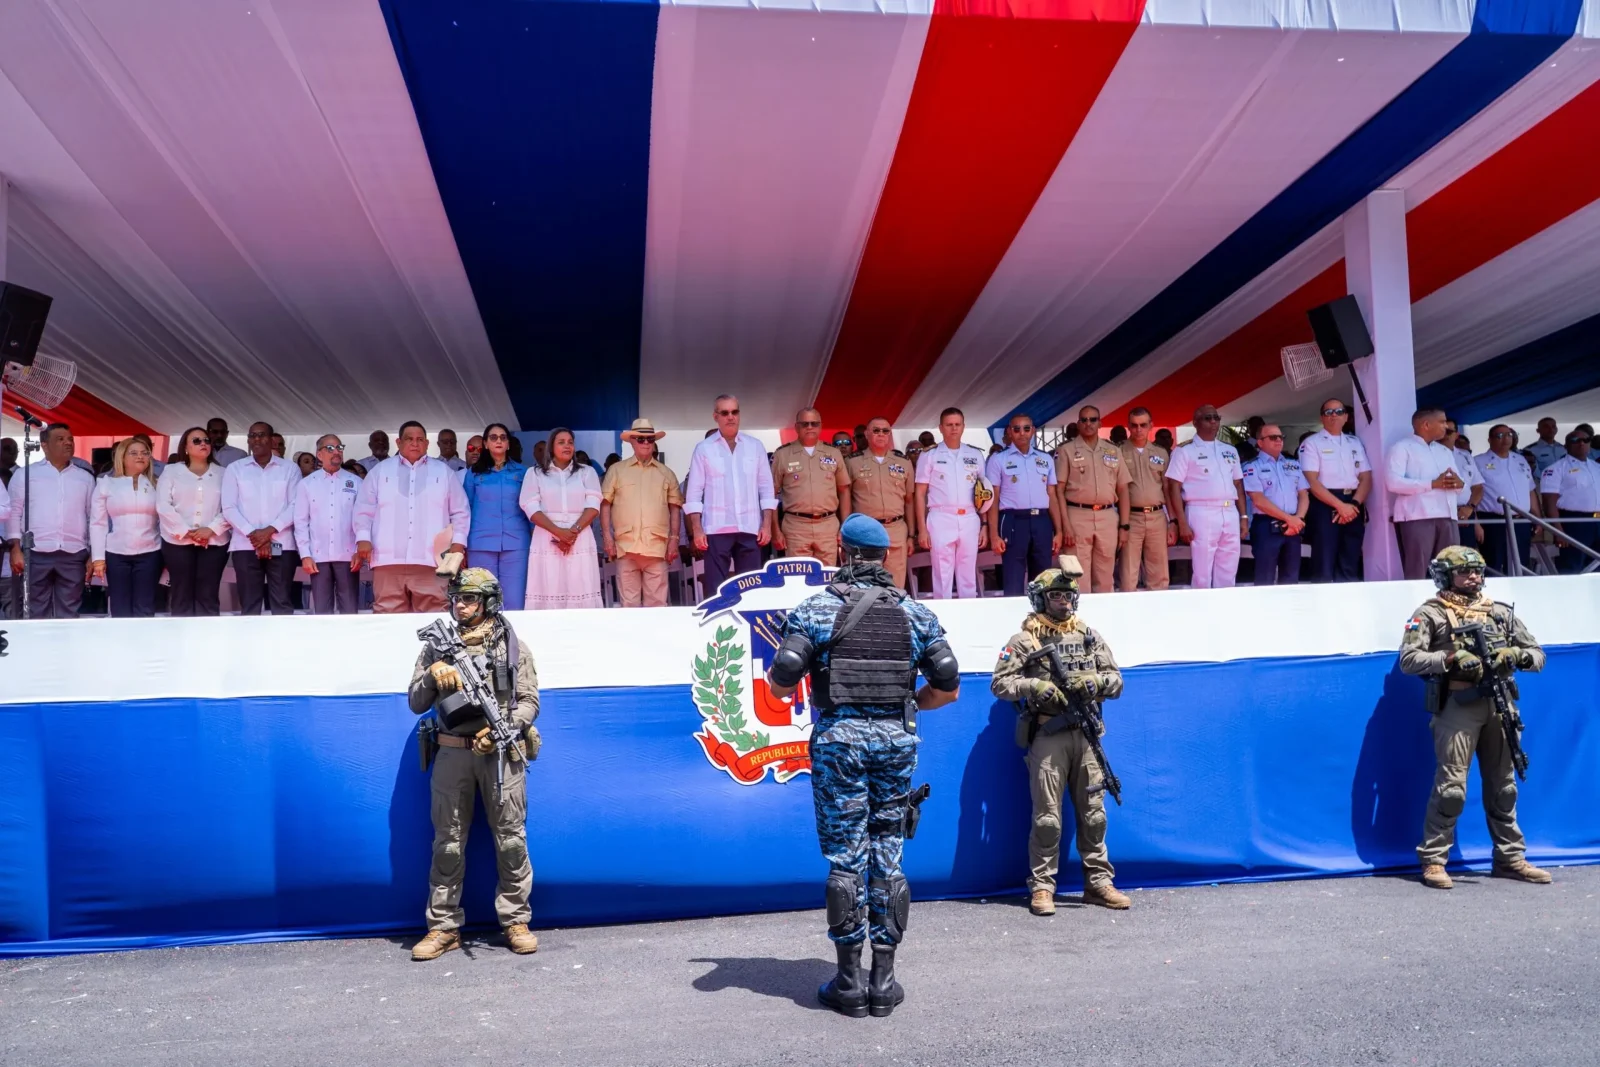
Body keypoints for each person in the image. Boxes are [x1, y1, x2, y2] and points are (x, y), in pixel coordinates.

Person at [766, 515, 960, 1017]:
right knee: (888, 854)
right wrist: (906, 706)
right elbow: (949, 686)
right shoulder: (915, 614)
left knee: (846, 858)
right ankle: (884, 982)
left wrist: (798, 689)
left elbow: (783, 677)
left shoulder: (816, 609)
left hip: (840, 745)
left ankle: (849, 984)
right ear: (883, 558)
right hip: (897, 745)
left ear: (844, 552)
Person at [407, 568, 542, 960]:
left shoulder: (512, 647)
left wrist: (505, 730)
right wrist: (434, 673)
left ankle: (516, 920)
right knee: (447, 844)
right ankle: (443, 927)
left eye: (469, 599)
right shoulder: (437, 646)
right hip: (452, 754)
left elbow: (529, 701)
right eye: (456, 599)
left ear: (488, 603)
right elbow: (416, 702)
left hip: (500, 753)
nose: (460, 606)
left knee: (512, 840)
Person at [1399, 546, 1551, 889]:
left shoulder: (1500, 612)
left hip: (1500, 705)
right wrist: (1450, 659)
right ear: (1445, 575)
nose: (1474, 577)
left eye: (1478, 570)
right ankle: (1434, 860)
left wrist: (1516, 655)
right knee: (1451, 788)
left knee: (1504, 786)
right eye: (1465, 571)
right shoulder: (1429, 614)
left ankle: (1510, 857)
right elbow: (1408, 659)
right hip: (1458, 705)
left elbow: (1538, 655)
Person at [989, 561, 1130, 915]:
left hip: (1086, 735)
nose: (1063, 602)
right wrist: (1034, 686)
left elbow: (1116, 679)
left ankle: (1098, 883)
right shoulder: (1025, 640)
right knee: (1047, 819)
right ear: (1040, 598)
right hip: (1049, 735)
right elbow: (1000, 684)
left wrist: (1096, 683)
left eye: (1068, 595)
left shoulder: (1088, 636)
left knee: (1094, 814)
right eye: (1055, 595)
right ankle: (1042, 887)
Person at [354, 422, 470, 613]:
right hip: (388, 558)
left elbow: (460, 511)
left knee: (433, 617)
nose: (415, 444)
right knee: (387, 615)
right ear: (399, 442)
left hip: (431, 560)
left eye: (419, 439)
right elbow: (364, 509)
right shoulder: (380, 471)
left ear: (426, 443)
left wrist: (458, 544)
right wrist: (363, 538)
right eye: (409, 439)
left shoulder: (443, 472)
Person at [684, 395, 776, 592]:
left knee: (751, 590)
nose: (730, 417)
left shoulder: (755, 446)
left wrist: (767, 525)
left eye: (734, 412)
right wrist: (697, 529)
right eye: (724, 413)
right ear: (715, 416)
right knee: (716, 591)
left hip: (750, 528)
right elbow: (693, 493)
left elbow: (767, 490)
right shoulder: (704, 449)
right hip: (716, 529)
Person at [6, 422, 95, 618]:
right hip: (36, 553)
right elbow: (14, 513)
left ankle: (67, 648)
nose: (68, 443)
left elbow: (92, 517)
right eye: (60, 439)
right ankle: (40, 648)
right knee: (37, 611)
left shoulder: (85, 478)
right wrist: (15, 549)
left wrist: (93, 554)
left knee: (70, 611)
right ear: (44, 445)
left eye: (70, 439)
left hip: (74, 553)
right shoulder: (26, 474)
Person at [222, 422, 302, 616]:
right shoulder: (235, 469)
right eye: (252, 436)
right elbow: (229, 507)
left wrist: (268, 532)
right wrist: (254, 534)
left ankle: (282, 645)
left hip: (281, 545)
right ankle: (251, 645)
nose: (257, 439)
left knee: (281, 602)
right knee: (249, 604)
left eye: (262, 435)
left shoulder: (289, 468)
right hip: (245, 544)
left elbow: (295, 506)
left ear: (272, 438)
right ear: (248, 440)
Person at [601, 419, 681, 608]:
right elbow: (605, 506)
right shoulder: (616, 471)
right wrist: (607, 538)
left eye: (649, 439)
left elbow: (675, 509)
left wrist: (674, 540)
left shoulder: (666, 473)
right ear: (632, 441)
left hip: (656, 548)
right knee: (629, 605)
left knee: (657, 606)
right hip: (626, 547)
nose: (645, 443)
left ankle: (656, 639)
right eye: (640, 439)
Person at [1164, 405, 1247, 589]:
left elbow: (1238, 485)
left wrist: (1243, 516)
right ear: (1195, 422)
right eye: (1207, 418)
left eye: (1216, 418)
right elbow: (1173, 487)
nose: (1213, 422)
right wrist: (1181, 522)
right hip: (1202, 511)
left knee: (1229, 566)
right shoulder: (1184, 450)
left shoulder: (1229, 450)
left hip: (1229, 510)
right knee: (1202, 570)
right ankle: (1202, 611)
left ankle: (1224, 609)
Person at [520, 427, 602, 610]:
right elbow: (530, 507)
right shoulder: (535, 473)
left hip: (579, 538)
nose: (567, 446)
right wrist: (559, 533)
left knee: (579, 585)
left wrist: (572, 533)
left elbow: (593, 504)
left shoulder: (587, 472)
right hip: (547, 538)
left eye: (570, 442)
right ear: (551, 447)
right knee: (549, 585)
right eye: (561, 442)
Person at [916, 408, 989, 599]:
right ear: (941, 428)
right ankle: (943, 622)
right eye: (949, 425)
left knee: (967, 575)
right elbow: (920, 493)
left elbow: (984, 492)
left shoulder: (975, 454)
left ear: (963, 427)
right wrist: (922, 529)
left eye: (957, 424)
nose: (954, 429)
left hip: (970, 517)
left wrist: (984, 525)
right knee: (942, 574)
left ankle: (969, 620)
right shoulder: (929, 455)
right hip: (941, 517)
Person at [986, 413, 1062, 596]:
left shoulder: (1046, 459)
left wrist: (1059, 531)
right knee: (1012, 579)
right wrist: (994, 534)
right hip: (1012, 521)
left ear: (1033, 431)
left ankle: (1041, 622)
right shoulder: (998, 459)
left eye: (1026, 428)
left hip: (1041, 520)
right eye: (1017, 429)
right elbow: (993, 499)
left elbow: (1052, 495)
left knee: (1043, 580)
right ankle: (1013, 622)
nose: (1022, 433)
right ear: (1009, 432)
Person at [157, 427, 231, 615]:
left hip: (214, 542)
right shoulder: (172, 471)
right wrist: (186, 531)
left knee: (208, 593)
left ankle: (208, 640)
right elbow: (163, 505)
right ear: (186, 447)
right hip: (177, 541)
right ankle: (182, 639)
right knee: (181, 593)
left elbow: (231, 506)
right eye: (196, 441)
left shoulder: (224, 473)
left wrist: (211, 529)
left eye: (206, 440)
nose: (203, 443)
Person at [1054, 406, 1127, 595]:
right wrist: (1065, 526)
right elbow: (1058, 491)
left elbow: (1123, 489)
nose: (1088, 424)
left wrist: (1124, 526)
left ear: (1100, 423)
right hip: (1077, 515)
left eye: (1093, 420)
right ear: (1078, 424)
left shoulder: (1113, 451)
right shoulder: (1066, 451)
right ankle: (1079, 621)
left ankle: (1104, 620)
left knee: (1105, 576)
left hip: (1107, 516)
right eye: (1084, 420)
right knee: (1077, 578)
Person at [1297, 398, 1371, 582]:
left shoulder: (1355, 442)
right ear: (1322, 417)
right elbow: (1311, 482)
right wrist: (1340, 506)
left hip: (1353, 503)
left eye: (1339, 412)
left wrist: (1353, 504)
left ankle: (1347, 605)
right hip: (1324, 504)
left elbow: (1366, 477)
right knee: (1324, 559)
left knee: (1350, 557)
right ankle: (1322, 606)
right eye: (1328, 412)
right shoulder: (1312, 443)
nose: (1334, 416)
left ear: (1346, 417)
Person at [1385, 408, 1465, 580]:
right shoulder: (1402, 448)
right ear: (1426, 424)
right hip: (1417, 516)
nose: (1446, 427)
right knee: (1417, 570)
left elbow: (1459, 483)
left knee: (1450, 570)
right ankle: (1417, 605)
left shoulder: (1444, 451)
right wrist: (1432, 484)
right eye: (1442, 422)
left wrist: (1459, 484)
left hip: (1448, 516)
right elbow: (1393, 483)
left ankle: (1446, 605)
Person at [460, 423, 532, 610]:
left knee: (514, 601)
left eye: (503, 437)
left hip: (516, 543)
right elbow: (465, 510)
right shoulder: (474, 473)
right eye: (493, 437)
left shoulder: (524, 473)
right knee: (483, 601)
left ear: (508, 444)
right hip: (480, 543)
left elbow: (531, 510)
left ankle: (512, 639)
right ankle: (485, 639)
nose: (498, 441)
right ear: (485, 443)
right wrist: (462, 545)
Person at [90, 435, 163, 617]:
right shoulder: (106, 484)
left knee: (146, 607)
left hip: (150, 552)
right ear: (122, 457)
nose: (140, 456)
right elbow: (98, 523)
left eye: (145, 453)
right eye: (134, 453)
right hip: (117, 553)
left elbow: (166, 519)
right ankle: (121, 644)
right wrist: (98, 558)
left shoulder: (158, 484)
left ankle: (145, 645)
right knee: (120, 607)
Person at [772, 408, 851, 565]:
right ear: (796, 427)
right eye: (804, 424)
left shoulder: (833, 453)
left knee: (827, 579)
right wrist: (775, 530)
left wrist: (845, 526)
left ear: (821, 426)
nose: (809, 427)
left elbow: (844, 490)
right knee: (798, 579)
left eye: (814, 424)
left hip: (827, 525)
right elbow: (771, 494)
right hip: (796, 526)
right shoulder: (782, 454)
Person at [294, 435, 362, 614]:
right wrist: (305, 555)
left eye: (339, 447)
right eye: (330, 448)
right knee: (322, 611)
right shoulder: (307, 484)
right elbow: (301, 522)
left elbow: (363, 520)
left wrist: (358, 550)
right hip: (318, 557)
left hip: (348, 556)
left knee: (349, 610)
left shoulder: (356, 482)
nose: (337, 451)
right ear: (319, 454)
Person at [845, 418, 916, 589]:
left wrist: (911, 535)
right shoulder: (852, 462)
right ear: (867, 434)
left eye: (885, 431)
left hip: (896, 528)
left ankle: (895, 616)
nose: (881, 434)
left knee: (896, 584)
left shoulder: (903, 462)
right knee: (865, 585)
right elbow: (845, 498)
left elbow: (909, 501)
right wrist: (845, 530)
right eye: (876, 431)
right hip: (865, 530)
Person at [1241, 424, 1309, 586]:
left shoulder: (1294, 465)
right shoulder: (1252, 467)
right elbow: (1258, 500)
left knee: (1291, 578)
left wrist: (1297, 519)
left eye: (1280, 437)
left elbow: (1304, 495)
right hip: (1266, 526)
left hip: (1293, 526)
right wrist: (1289, 519)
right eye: (1272, 437)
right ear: (1260, 442)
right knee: (1265, 578)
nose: (1278, 440)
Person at [1117, 407, 1173, 591]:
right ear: (1128, 426)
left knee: (1159, 574)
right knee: (1128, 573)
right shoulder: (1118, 452)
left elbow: (1167, 489)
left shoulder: (1161, 452)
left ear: (1151, 426)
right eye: (1134, 425)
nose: (1138, 429)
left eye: (1143, 425)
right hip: (1131, 517)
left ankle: (1158, 614)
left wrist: (1172, 520)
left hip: (1157, 517)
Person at [1475, 425, 1539, 576]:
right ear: (1489, 440)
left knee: (1521, 563)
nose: (1506, 438)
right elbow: (1473, 493)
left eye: (1509, 434)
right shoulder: (1478, 461)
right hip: (1494, 521)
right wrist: (1476, 523)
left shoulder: (1520, 459)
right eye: (1500, 435)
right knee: (1494, 564)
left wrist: (1537, 518)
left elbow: (1530, 490)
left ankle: (1519, 596)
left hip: (1521, 520)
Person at [1539, 428, 1600, 573]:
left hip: (1598, 520)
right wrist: (1558, 531)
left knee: (1596, 567)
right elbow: (1549, 503)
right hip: (1574, 522)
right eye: (1575, 440)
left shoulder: (1597, 467)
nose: (1581, 444)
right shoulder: (1556, 469)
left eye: (1585, 440)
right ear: (1566, 445)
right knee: (1572, 566)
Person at [1444, 418, 1484, 550]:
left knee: (1465, 560)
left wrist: (1470, 510)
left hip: (1466, 513)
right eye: (1442, 431)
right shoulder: (1428, 454)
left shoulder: (1465, 455)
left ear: (1457, 435)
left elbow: (1477, 487)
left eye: (1449, 431)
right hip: (1442, 514)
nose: (1445, 434)